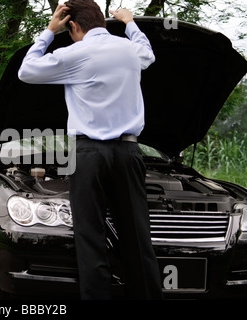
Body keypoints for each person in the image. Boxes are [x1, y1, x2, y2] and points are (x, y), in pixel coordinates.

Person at [18, 0, 163, 299]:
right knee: (137, 237)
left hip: (88, 155)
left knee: (90, 238)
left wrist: (48, 31)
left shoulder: (73, 53)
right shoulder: (129, 49)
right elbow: (148, 54)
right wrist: (129, 22)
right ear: (103, 22)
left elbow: (27, 71)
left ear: (72, 26)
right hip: (128, 152)